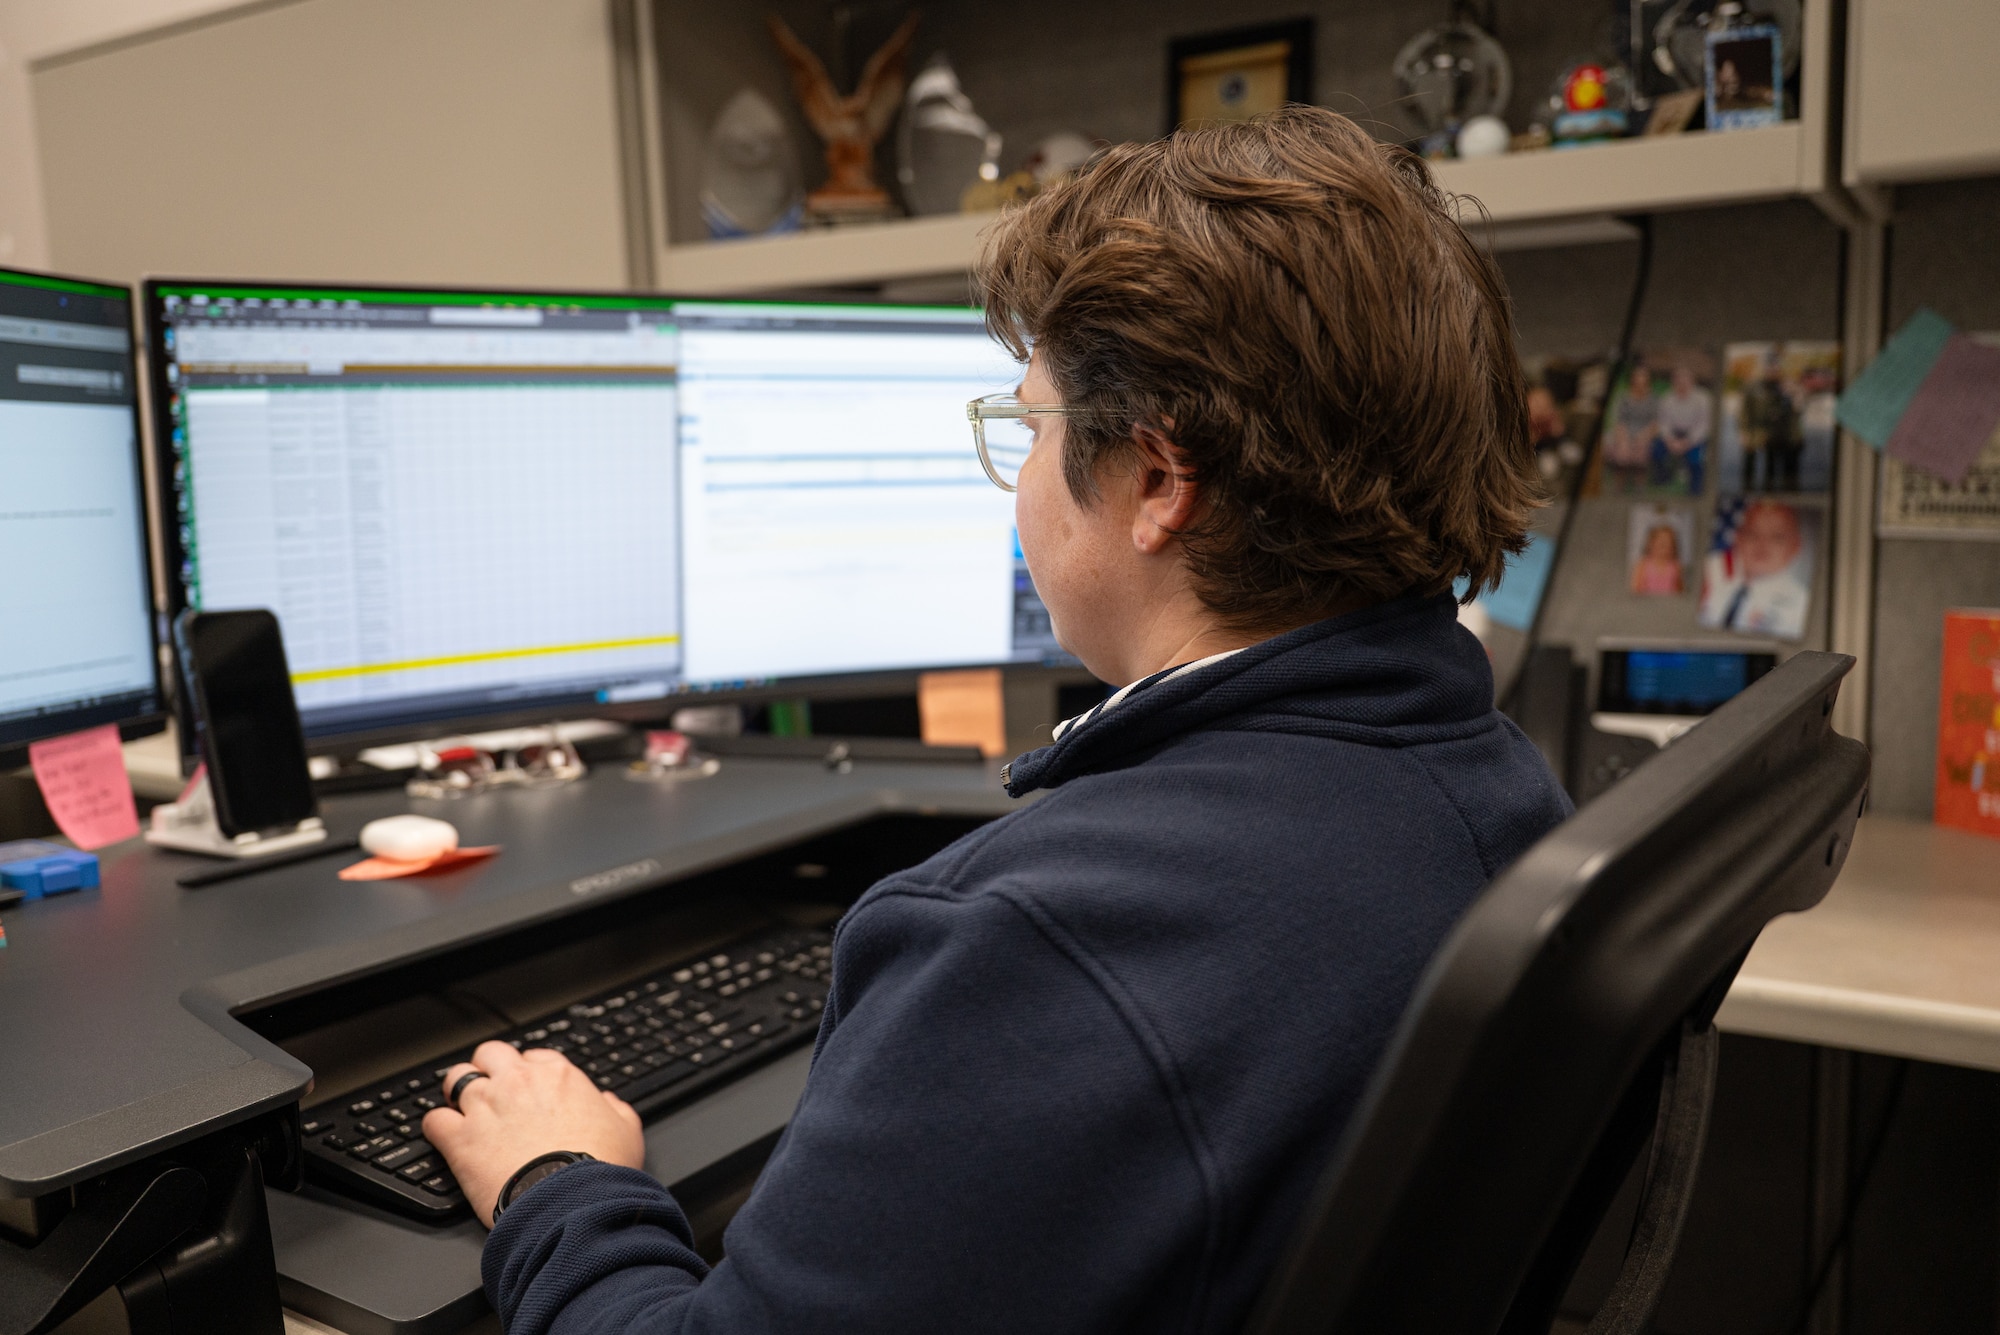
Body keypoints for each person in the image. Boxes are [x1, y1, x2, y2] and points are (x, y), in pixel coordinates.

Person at [421, 106, 1572, 1335]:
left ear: (1157, 482)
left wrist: (563, 1186)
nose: (1019, 477)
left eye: (1029, 427)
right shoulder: (1498, 791)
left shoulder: (1038, 940)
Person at [1700, 500, 1811, 638]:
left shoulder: (1800, 604)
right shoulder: (1711, 576)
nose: (1762, 544)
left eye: (1777, 537)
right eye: (1753, 534)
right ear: (1738, 538)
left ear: (1795, 546)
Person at [1656, 365, 1713, 494]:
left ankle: (1694, 489)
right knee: (1656, 450)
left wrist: (1687, 442)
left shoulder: (1703, 399)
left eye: (1685, 381)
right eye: (1678, 381)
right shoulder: (1666, 399)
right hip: (1674, 434)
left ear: (1692, 382)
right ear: (1673, 382)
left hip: (1695, 436)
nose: (1681, 385)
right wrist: (1670, 440)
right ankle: (1664, 477)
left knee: (1697, 460)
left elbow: (1704, 426)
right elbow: (1663, 423)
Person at [1631, 522, 1686, 595]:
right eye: (1660, 542)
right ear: (1650, 544)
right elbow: (1635, 590)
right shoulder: (1642, 565)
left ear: (1673, 547)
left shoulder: (1675, 566)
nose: (1663, 546)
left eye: (1668, 543)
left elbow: (1681, 592)